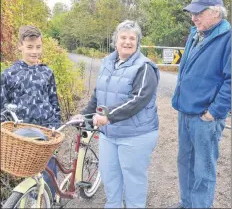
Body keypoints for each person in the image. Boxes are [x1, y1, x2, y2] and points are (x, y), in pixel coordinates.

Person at [72, 20, 160, 208]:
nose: (127, 41)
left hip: (136, 135)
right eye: (123, 37)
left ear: (137, 42)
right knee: (110, 176)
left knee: (133, 180)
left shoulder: (145, 67)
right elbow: (99, 95)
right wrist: (84, 114)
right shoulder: (108, 63)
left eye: (132, 38)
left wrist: (108, 116)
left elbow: (138, 100)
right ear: (115, 40)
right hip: (109, 133)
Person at [171, 0, 231, 209]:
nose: (193, 18)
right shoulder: (196, 33)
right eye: (191, 13)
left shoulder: (228, 38)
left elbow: (231, 80)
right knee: (185, 162)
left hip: (205, 117)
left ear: (216, 13)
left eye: (199, 13)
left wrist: (214, 112)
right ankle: (187, 203)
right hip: (185, 112)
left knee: (203, 170)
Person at [0, 25, 61, 199]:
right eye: (30, 47)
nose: (35, 51)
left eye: (38, 47)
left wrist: (56, 125)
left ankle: (50, 200)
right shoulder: (9, 74)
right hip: (22, 134)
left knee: (48, 170)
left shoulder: (47, 72)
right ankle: (30, 200)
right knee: (29, 176)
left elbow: (53, 101)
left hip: (46, 132)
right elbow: (3, 107)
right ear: (20, 46)